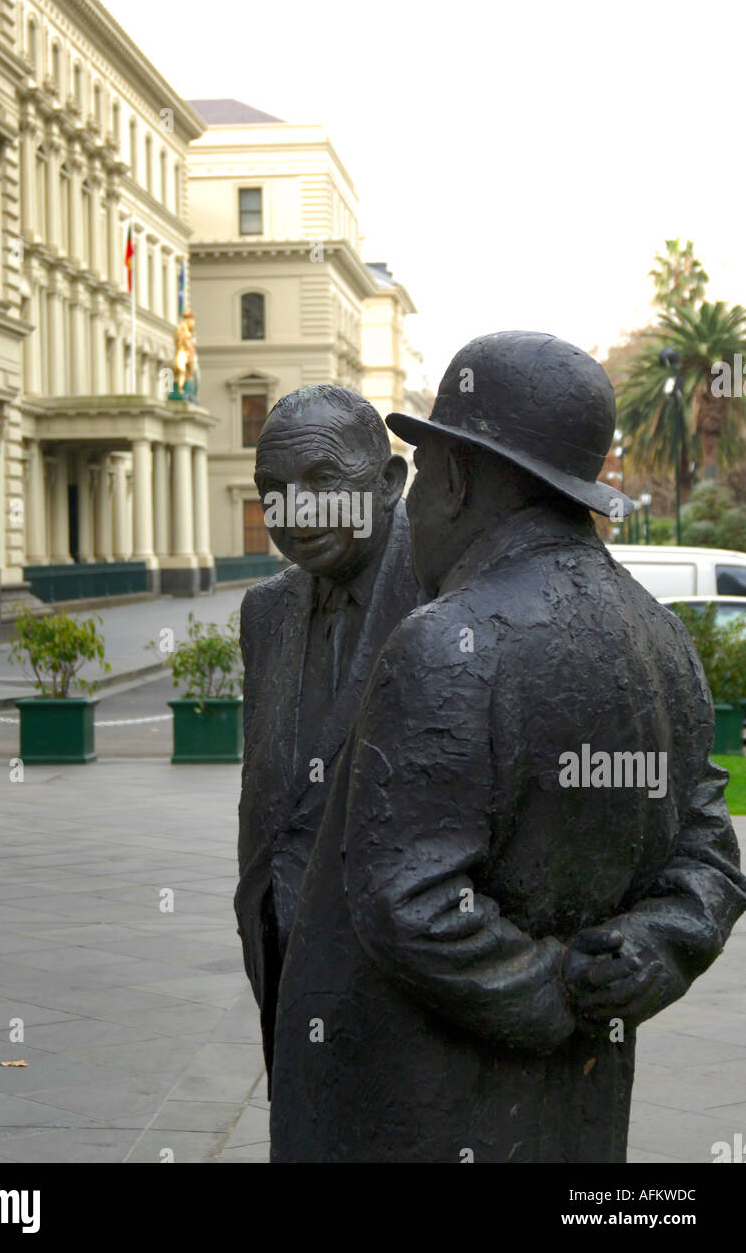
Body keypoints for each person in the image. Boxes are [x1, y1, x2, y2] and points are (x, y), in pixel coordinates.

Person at [269, 332, 746, 1163]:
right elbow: (710, 859)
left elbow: (409, 904)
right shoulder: (663, 638)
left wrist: (554, 988)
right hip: (574, 1111)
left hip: (412, 1115)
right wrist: (646, 954)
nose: (408, 506)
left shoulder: (445, 640)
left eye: (417, 475)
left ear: (455, 477)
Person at [235, 384, 418, 1090]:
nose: (293, 511)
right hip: (281, 957)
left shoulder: (451, 601)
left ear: (390, 483)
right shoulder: (267, 611)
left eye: (321, 481)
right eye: (271, 489)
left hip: (412, 987)